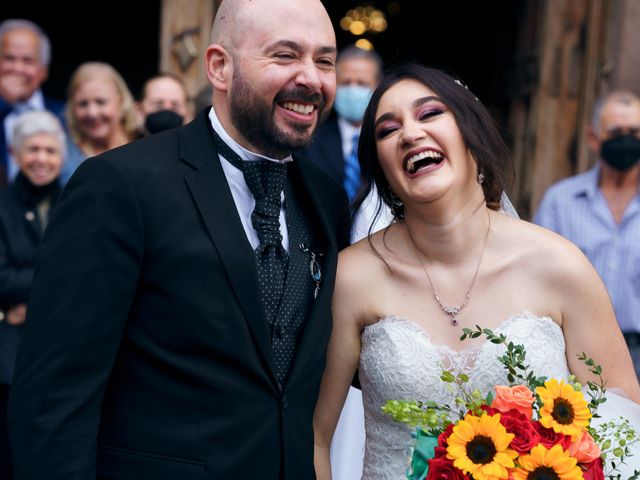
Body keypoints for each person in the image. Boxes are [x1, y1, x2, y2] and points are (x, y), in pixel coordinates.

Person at [8, 0, 348, 479]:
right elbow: (54, 401)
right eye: (286, 55)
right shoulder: (119, 185)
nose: (312, 78)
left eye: (325, 60)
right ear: (219, 66)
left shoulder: (326, 200)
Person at [313, 64, 640, 479]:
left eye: (429, 114)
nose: (410, 134)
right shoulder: (351, 278)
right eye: (387, 130)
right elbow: (316, 437)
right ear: (382, 168)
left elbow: (622, 425)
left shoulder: (560, 265)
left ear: (472, 134)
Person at [534, 90, 640, 379]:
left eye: (635, 132)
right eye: (616, 132)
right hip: (578, 350)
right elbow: (536, 273)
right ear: (594, 138)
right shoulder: (561, 201)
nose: (627, 139)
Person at [0, 110, 65, 480]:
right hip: (11, 361)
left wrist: (32, 302)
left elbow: (89, 272)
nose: (41, 158)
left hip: (62, 352)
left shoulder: (76, 199)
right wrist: (55, 285)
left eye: (50, 150)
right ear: (17, 155)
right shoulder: (3, 206)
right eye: (33, 150)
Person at [0, 19, 65, 186]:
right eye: (8, 58)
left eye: (28, 60)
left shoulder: (64, 115)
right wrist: (4, 102)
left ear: (43, 71)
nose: (17, 68)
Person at [60, 61, 138, 184]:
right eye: (82, 104)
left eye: (101, 102)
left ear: (121, 102)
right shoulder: (61, 156)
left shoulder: (142, 146)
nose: (92, 113)